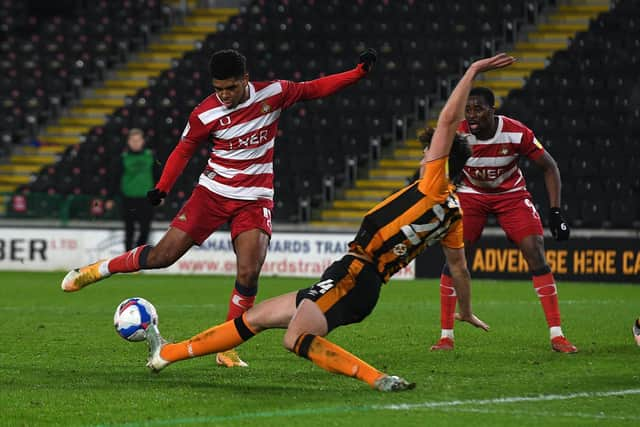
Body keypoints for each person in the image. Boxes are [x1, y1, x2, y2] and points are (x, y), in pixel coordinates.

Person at [142, 53, 515, 392]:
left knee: (295, 339)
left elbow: (448, 120)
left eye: (428, 153)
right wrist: (463, 310)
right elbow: (459, 268)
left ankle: (379, 379)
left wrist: (471, 71)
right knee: (253, 319)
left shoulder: (433, 185)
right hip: (356, 280)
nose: (423, 158)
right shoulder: (454, 212)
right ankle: (166, 354)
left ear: (441, 158)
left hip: (354, 275)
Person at [61, 48, 378, 368]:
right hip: (211, 193)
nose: (224, 94)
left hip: (254, 198)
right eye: (218, 89)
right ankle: (99, 269)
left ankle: (226, 349)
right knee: (162, 257)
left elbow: (315, 88)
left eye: (231, 87)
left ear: (245, 79)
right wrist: (163, 187)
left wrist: (358, 73)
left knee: (249, 272)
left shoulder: (274, 93)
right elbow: (184, 150)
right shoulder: (204, 113)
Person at [429, 86, 578, 353]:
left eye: (478, 109)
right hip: (471, 194)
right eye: (468, 109)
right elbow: (433, 164)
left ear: (492, 110)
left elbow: (549, 166)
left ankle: (557, 335)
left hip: (511, 194)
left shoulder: (516, 131)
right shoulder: (458, 132)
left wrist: (555, 212)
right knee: (455, 258)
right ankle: (445, 337)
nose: (472, 115)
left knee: (535, 251)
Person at [106, 128, 161, 251]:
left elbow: (158, 176)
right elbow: (115, 179)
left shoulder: (150, 156)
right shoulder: (122, 158)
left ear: (143, 141)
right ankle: (127, 259)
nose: (136, 143)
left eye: (138, 140)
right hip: (128, 198)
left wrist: (160, 195)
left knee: (145, 230)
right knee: (129, 230)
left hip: (146, 199)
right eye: (133, 140)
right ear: (128, 142)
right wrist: (110, 198)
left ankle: (138, 258)